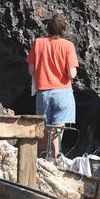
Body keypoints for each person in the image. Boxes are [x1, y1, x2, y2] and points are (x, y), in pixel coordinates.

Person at [27, 13, 78, 159]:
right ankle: (54, 161)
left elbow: (31, 70)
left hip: (44, 93)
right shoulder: (68, 46)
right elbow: (72, 73)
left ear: (48, 28)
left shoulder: (38, 43)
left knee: (43, 130)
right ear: (63, 29)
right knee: (57, 132)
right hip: (63, 93)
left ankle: (41, 161)